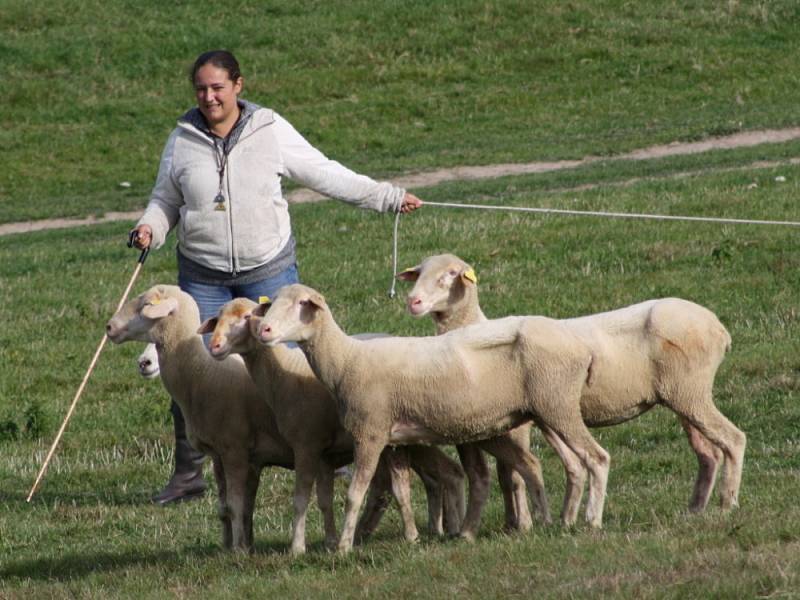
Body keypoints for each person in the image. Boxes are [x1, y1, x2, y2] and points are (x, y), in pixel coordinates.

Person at [130, 49, 422, 505]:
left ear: (238, 86)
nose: (209, 97)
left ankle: (330, 451)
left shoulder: (268, 129)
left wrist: (386, 197)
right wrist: (150, 227)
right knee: (192, 373)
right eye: (201, 89)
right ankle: (189, 474)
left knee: (292, 370)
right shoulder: (182, 138)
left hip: (268, 270)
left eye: (218, 88)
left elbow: (324, 173)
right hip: (204, 277)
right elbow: (166, 200)